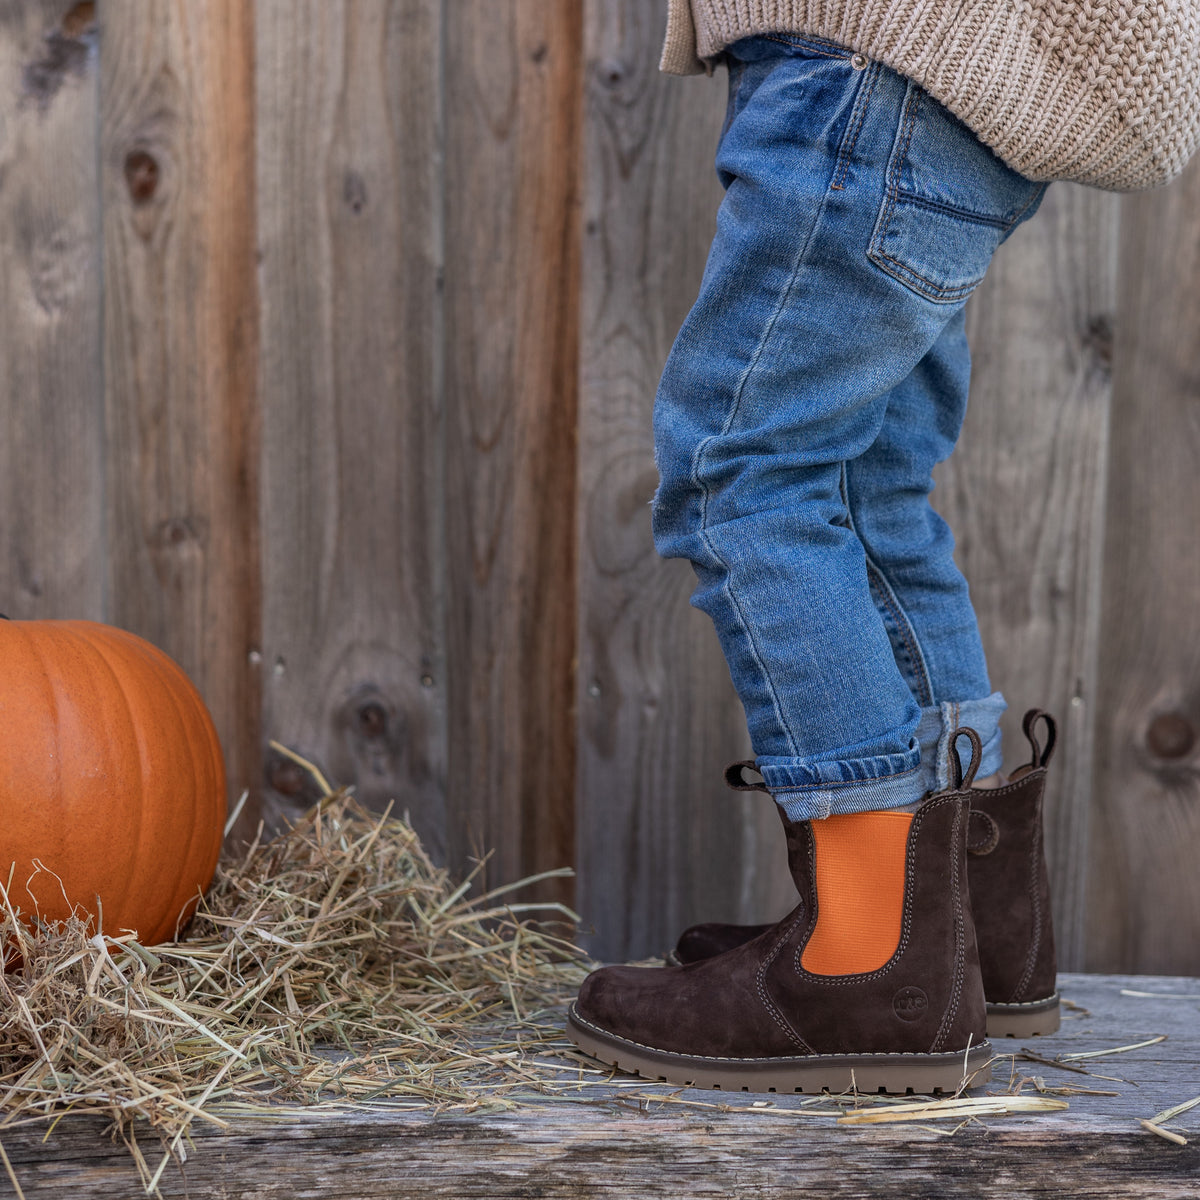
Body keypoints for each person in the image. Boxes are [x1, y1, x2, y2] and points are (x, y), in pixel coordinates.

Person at [566, 1, 1200, 1093]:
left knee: (744, 477)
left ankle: (866, 956)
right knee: (870, 494)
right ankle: (974, 935)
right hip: (932, 89)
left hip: (872, 65)